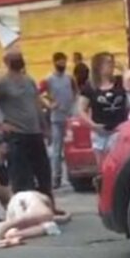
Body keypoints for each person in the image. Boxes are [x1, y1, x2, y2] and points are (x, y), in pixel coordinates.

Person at [0, 48, 62, 213]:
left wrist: (45, 128)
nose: (19, 59)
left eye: (20, 57)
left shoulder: (29, 80)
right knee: (22, 178)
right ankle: (26, 211)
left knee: (44, 173)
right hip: (17, 136)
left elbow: (36, 104)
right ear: (7, 62)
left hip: (35, 134)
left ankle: (49, 207)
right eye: (14, 58)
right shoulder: (1, 83)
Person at [78, 52, 129, 169]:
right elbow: (81, 109)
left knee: (120, 164)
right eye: (108, 62)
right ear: (99, 66)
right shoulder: (90, 87)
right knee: (103, 167)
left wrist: (124, 69)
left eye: (112, 62)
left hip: (119, 130)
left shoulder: (119, 82)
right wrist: (93, 125)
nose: (112, 65)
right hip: (100, 132)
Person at [40, 52, 77, 188]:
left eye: (64, 61)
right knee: (57, 150)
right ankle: (56, 177)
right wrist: (50, 104)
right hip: (56, 118)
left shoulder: (69, 78)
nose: (63, 64)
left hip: (70, 118)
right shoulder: (48, 79)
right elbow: (38, 94)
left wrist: (74, 106)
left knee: (71, 149)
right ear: (55, 62)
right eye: (60, 62)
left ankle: (73, 176)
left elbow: (76, 92)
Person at [0, 190, 71, 249]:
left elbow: (58, 217)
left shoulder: (43, 209)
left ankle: (11, 234)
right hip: (22, 202)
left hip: (23, 202)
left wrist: (67, 214)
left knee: (49, 224)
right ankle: (9, 234)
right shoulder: (42, 211)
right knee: (50, 225)